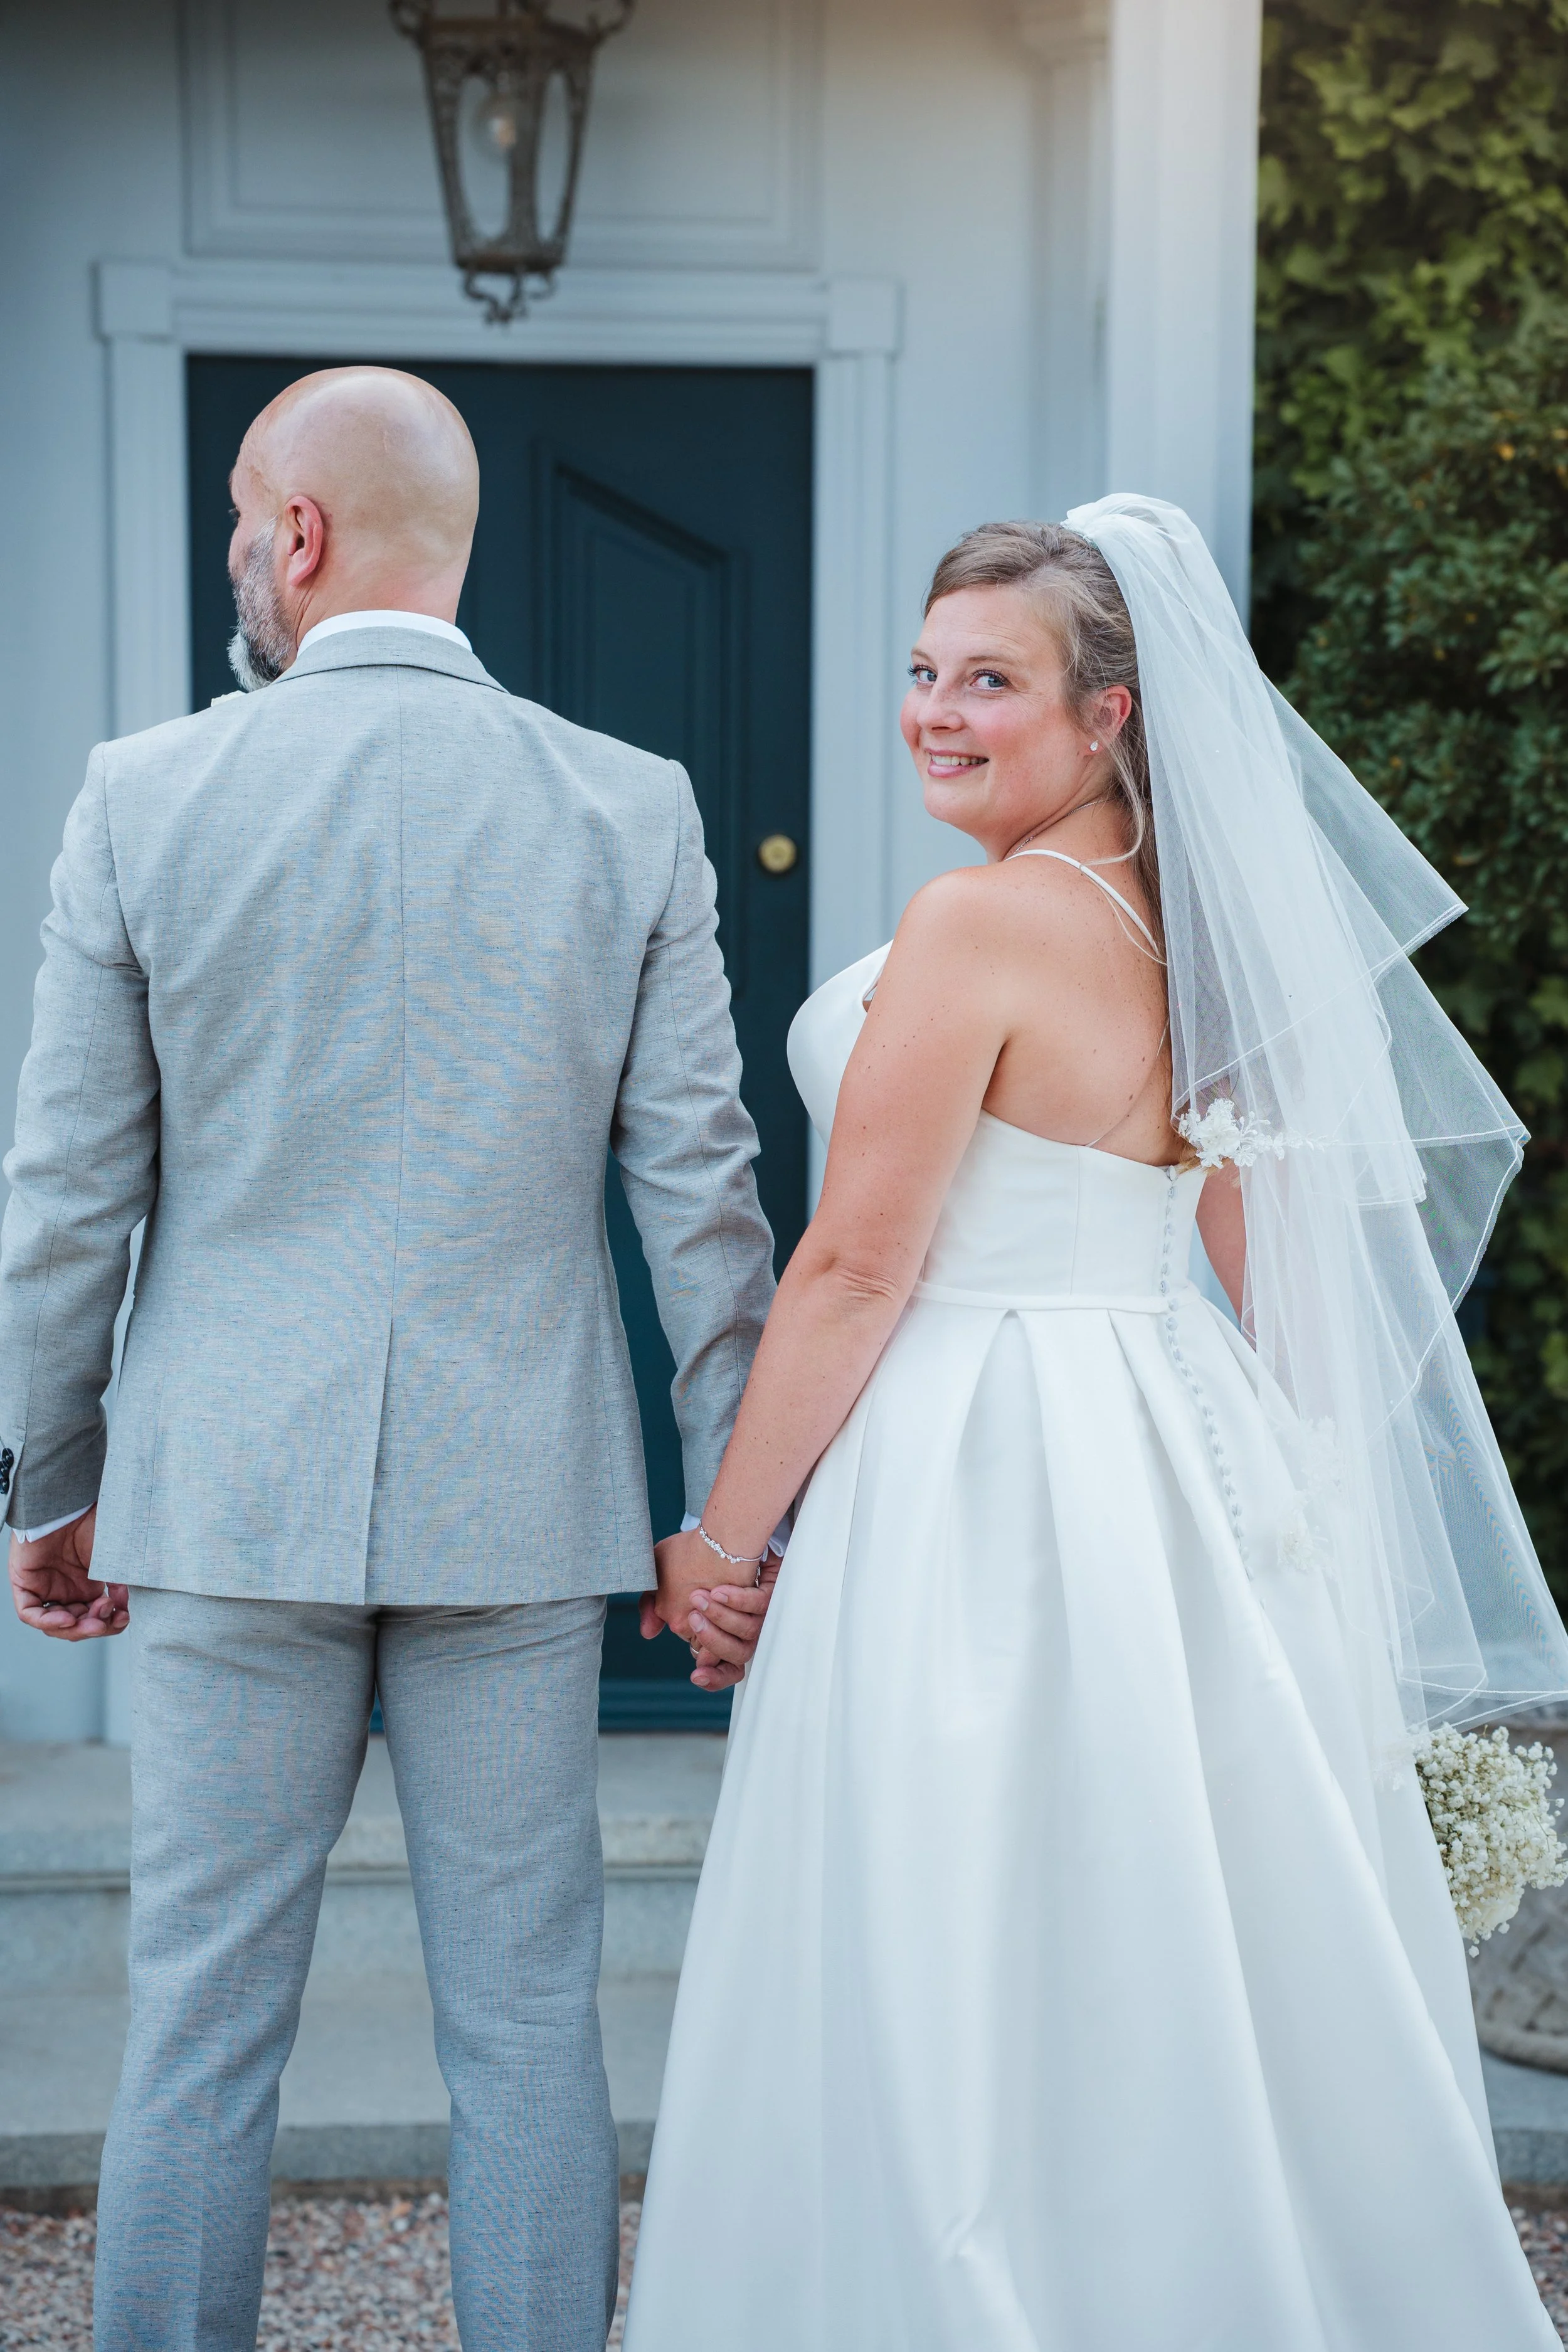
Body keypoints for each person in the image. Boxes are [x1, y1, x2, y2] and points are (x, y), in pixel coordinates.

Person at [624, 497, 1568, 2349]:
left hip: (975, 1460)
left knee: (951, 1914)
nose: (936, 712)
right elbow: (1270, 1267)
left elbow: (849, 1270)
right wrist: (1303, 1530)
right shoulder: (1193, 928)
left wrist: (721, 1544)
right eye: (921, 672)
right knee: (1168, 1909)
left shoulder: (976, 923)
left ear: (1110, 713)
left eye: (991, 680)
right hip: (1161, 1438)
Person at [0, 364, 774, 2352]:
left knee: (197, 2012)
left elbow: (66, 1198)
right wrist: (732, 1515)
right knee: (525, 2016)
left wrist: (51, 1473)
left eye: (245, 521)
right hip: (522, 1502)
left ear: (304, 538)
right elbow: (705, 1198)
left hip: (224, 1491)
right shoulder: (631, 803)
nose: (238, 558)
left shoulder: (145, 794)